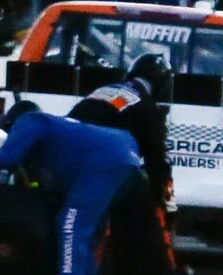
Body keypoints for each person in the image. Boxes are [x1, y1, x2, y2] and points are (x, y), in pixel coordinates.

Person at [0, 102, 194, 275]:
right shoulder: (61, 134)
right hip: (123, 155)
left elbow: (6, 159)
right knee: (88, 233)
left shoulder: (31, 120)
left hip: (105, 161)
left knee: (71, 226)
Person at [68, 50, 173, 199]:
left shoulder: (103, 90)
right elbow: (159, 163)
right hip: (99, 169)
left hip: (66, 153)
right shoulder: (149, 109)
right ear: (163, 86)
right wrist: (169, 209)